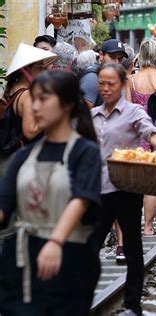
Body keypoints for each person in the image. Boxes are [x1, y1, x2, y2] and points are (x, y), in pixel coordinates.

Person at [0, 70, 101, 314]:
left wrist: (56, 241)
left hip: (70, 259)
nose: (35, 106)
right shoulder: (23, 156)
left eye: (43, 99)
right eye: (33, 99)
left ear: (66, 104)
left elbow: (81, 199)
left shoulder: (85, 152)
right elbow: (4, 206)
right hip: (22, 260)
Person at [89, 63, 156, 316]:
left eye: (111, 83)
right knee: (89, 249)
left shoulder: (132, 112)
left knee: (132, 248)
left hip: (127, 189)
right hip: (99, 190)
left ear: (122, 84)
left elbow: (151, 133)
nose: (106, 88)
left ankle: (132, 305)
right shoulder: (93, 115)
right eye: (102, 83)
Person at [124, 39, 156, 236]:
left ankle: (134, 224)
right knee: (153, 184)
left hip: (138, 135)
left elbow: (127, 109)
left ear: (140, 55)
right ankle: (148, 227)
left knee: (136, 182)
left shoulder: (131, 80)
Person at [1, 44, 58, 173]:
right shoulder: (27, 96)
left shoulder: (14, 89)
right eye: (40, 68)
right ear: (26, 70)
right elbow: (30, 132)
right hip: (25, 161)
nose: (44, 72)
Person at [80, 39, 128, 108]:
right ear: (101, 55)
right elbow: (83, 113)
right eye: (112, 57)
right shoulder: (92, 77)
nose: (117, 62)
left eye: (120, 59)